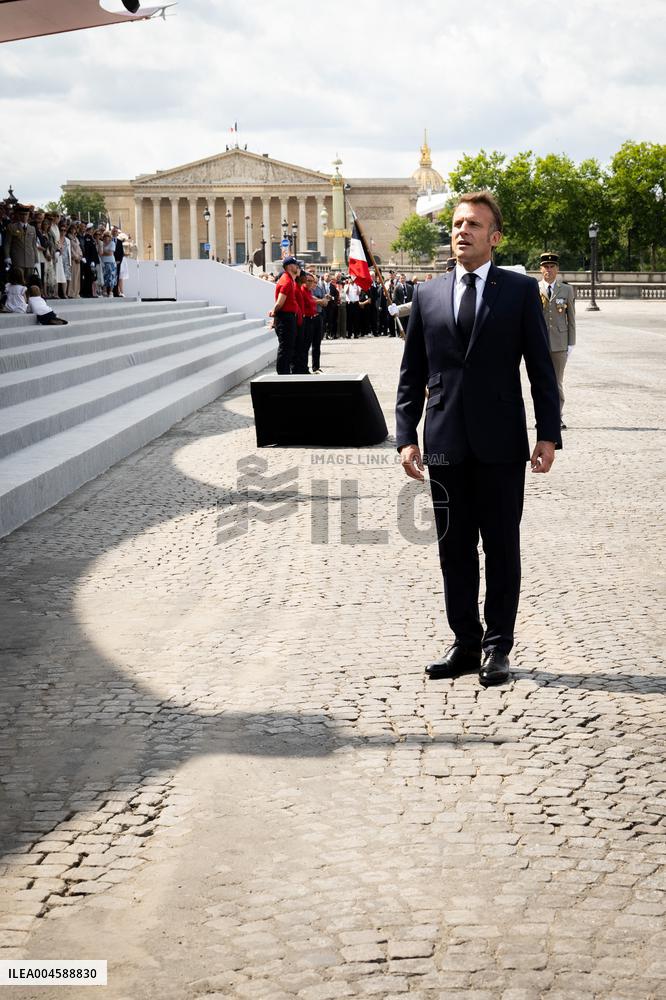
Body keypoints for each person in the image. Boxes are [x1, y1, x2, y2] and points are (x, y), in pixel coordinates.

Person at [396, 190, 561, 688]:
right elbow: (411, 374)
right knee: (454, 549)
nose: (461, 231)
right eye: (456, 224)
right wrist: (406, 435)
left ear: (495, 236)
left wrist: (548, 434)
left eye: (472, 224)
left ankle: (497, 648)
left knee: (502, 547)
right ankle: (465, 643)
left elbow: (540, 371)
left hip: (501, 444)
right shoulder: (427, 295)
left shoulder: (518, 291)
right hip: (444, 440)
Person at [538, 251, 576, 430]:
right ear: (541, 269)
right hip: (539, 343)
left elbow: (571, 318)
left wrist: (571, 343)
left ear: (557, 269)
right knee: (540, 383)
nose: (549, 270)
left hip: (560, 343)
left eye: (552, 267)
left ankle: (557, 417)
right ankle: (542, 418)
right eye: (546, 267)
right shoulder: (534, 289)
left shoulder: (566, 290)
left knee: (556, 382)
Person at [269, 255, 301, 374]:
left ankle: (284, 373)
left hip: (287, 317)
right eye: (295, 264)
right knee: (285, 348)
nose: (297, 267)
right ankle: (283, 374)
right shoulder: (286, 281)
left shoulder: (288, 280)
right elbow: (279, 303)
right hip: (285, 318)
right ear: (289, 266)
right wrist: (274, 313)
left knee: (288, 347)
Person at [3, 206, 39, 285]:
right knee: (18, 282)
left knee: (29, 282)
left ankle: (28, 297)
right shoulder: (12, 227)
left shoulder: (32, 228)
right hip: (17, 259)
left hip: (30, 259)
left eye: (26, 214)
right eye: (22, 214)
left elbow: (34, 245)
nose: (24, 216)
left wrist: (36, 260)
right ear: (19, 215)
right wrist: (7, 257)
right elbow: (7, 243)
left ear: (29, 215)